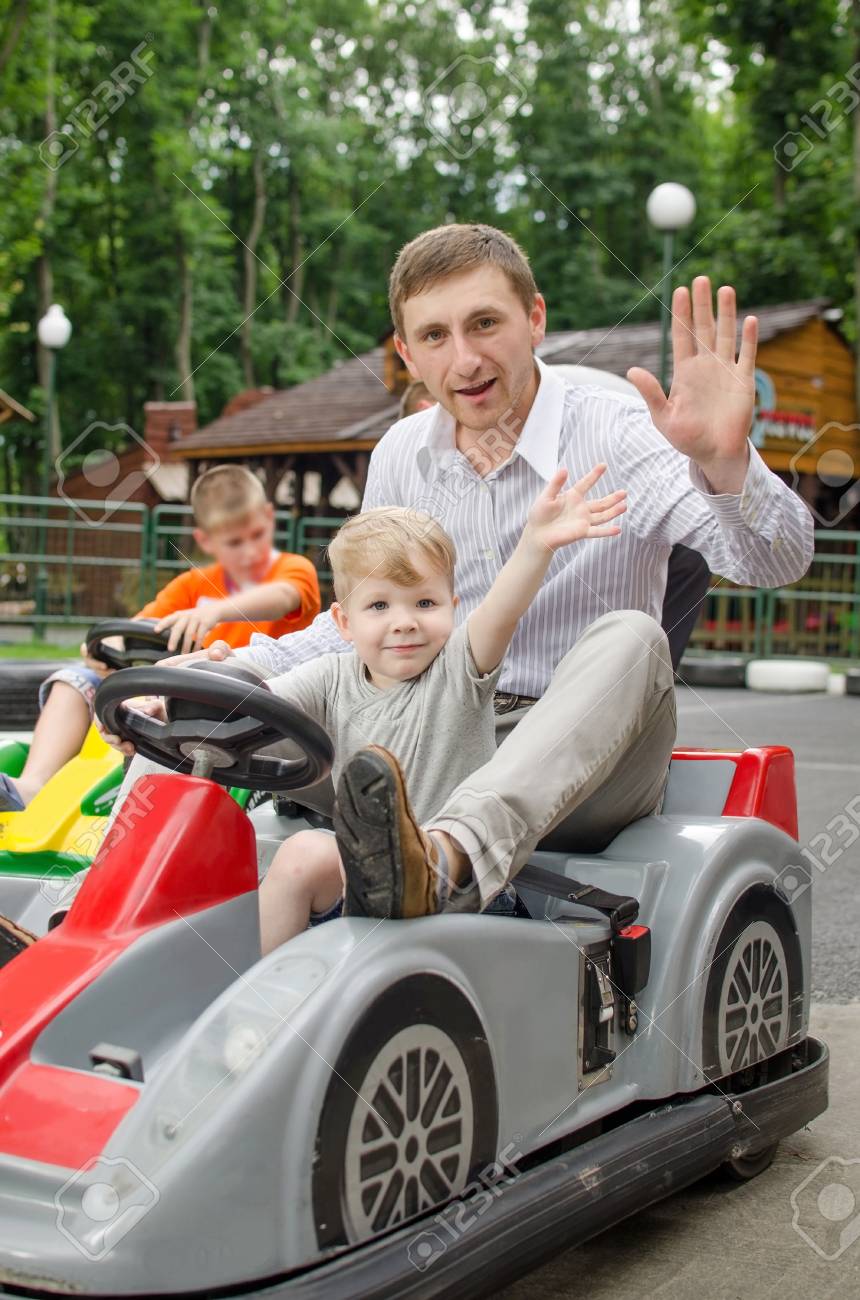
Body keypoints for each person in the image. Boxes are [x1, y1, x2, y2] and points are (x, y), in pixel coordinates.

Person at [103, 222, 814, 921]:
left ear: (534, 319)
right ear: (408, 354)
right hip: (436, 737)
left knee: (631, 635)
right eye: (436, 337)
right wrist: (235, 673)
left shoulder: (619, 429)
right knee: (204, 709)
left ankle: (447, 862)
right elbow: (357, 623)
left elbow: (775, 559)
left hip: (581, 757)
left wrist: (726, 464)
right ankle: (87, 915)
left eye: (484, 324)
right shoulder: (402, 453)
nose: (465, 359)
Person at [255, 472, 624, 950]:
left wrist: (536, 545)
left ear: (452, 608)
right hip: (368, 898)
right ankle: (266, 1006)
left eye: (425, 602)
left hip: (466, 901)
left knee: (315, 849)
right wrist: (166, 705)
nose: (404, 622)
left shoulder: (457, 669)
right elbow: (258, 704)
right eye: (379, 605)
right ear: (344, 622)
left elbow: (503, 610)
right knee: (300, 856)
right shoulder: (330, 676)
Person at [0, 465, 320, 812]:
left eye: (257, 535)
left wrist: (215, 611)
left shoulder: (292, 569)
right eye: (234, 543)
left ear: (270, 518)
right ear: (205, 541)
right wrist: (102, 651)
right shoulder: (192, 585)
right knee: (74, 679)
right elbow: (137, 627)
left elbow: (286, 596)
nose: (249, 551)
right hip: (171, 696)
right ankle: (32, 788)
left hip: (242, 711)